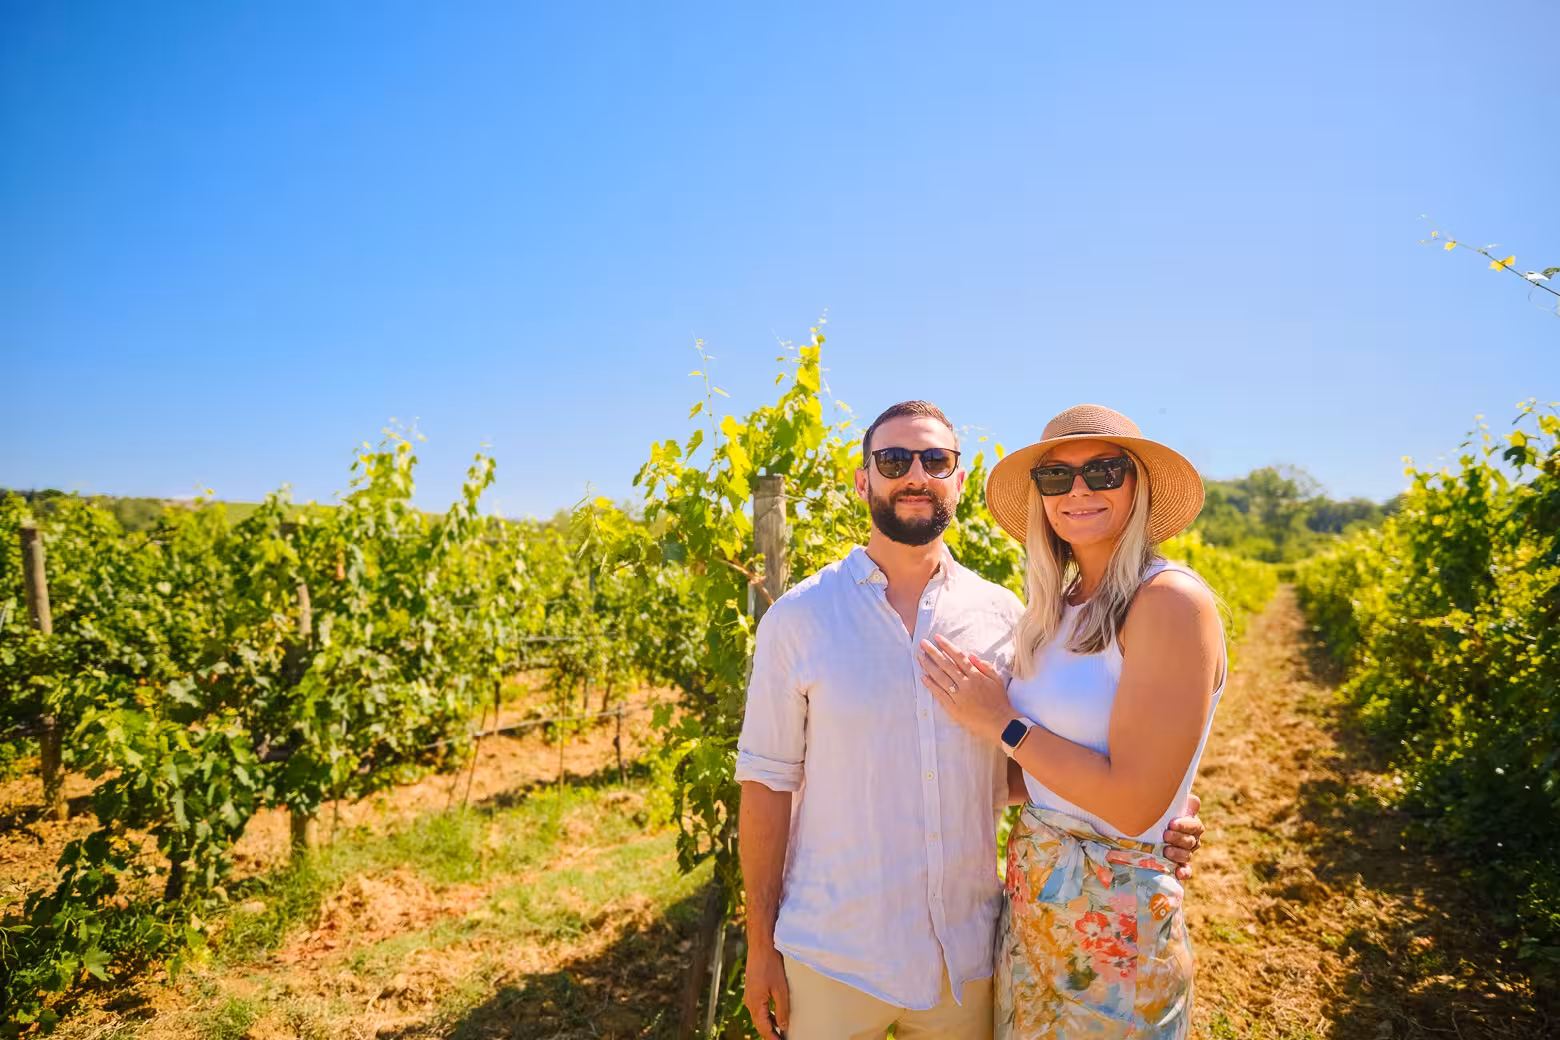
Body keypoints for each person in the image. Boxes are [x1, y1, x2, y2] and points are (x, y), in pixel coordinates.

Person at [736, 401, 1206, 1040]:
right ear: (862, 479)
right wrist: (759, 943)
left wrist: (1156, 811)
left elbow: (1025, 754)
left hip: (973, 954)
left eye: (936, 460)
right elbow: (766, 783)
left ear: (959, 479)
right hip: (836, 954)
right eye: (894, 459)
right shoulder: (799, 619)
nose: (915, 475)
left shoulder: (1005, 616)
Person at [916, 403, 1223, 1038]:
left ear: (1137, 486)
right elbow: (1048, 777)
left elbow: (1134, 804)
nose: (1078, 490)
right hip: (1038, 902)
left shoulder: (1167, 601)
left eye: (1103, 472)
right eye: (1056, 478)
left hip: (1113, 918)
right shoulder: (1056, 610)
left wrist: (1004, 725)